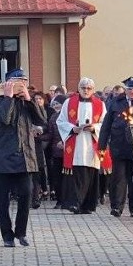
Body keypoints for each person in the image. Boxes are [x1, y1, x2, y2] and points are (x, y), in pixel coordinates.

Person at [0, 68, 47, 247]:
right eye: (19, 81)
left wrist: (29, 100)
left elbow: (41, 120)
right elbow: (5, 119)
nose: (23, 85)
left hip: (24, 157)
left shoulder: (27, 103)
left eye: (24, 81)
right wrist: (8, 98)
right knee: (2, 200)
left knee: (26, 195)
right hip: (2, 159)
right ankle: (7, 235)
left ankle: (21, 232)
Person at [55, 77, 110, 214]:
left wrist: (94, 128)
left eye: (89, 88)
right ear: (79, 89)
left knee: (90, 174)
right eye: (83, 88)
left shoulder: (100, 104)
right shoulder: (69, 102)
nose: (86, 90)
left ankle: (88, 205)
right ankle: (74, 203)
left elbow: (105, 123)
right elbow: (60, 121)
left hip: (92, 144)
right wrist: (72, 128)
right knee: (76, 175)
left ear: (92, 89)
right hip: (76, 143)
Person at [98, 76, 133, 218]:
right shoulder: (116, 103)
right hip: (119, 146)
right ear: (126, 90)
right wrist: (102, 145)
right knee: (119, 178)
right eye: (130, 89)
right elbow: (106, 125)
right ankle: (116, 206)